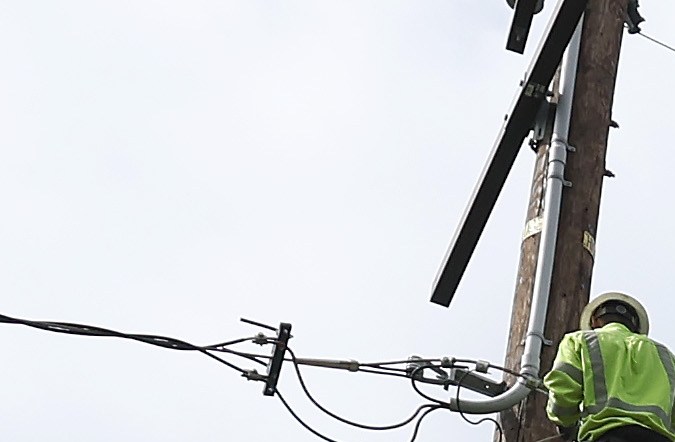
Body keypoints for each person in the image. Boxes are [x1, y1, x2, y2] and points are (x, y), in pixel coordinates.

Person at [543, 292, 675, 442]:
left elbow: (563, 390)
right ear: (635, 326)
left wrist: (567, 423)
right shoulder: (666, 356)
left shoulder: (579, 340)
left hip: (608, 436)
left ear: (594, 320)